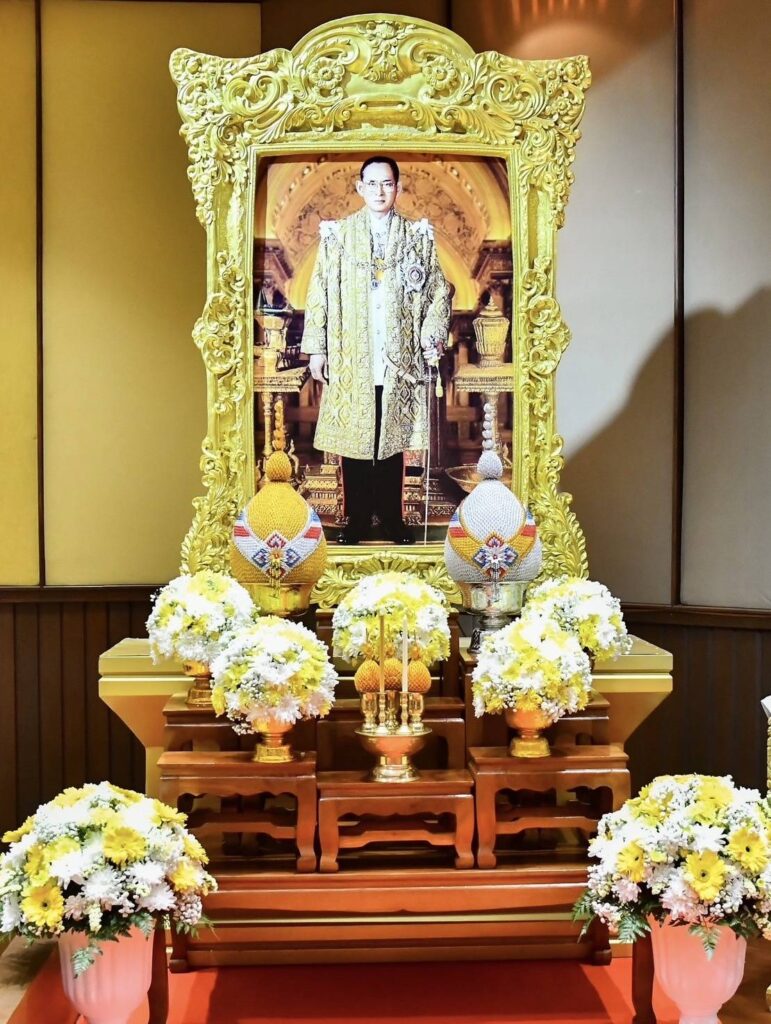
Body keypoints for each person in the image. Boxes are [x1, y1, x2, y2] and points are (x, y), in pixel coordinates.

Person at [301, 156, 451, 544]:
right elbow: (319, 292)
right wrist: (317, 349)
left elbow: (437, 291)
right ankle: (355, 518)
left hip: (398, 357)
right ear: (360, 187)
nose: (380, 191)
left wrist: (431, 335)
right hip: (352, 354)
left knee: (391, 441)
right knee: (356, 442)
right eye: (372, 183)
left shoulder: (417, 237)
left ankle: (391, 518)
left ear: (398, 188)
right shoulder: (338, 236)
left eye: (387, 184)